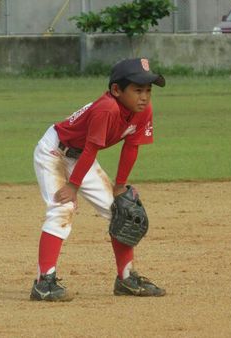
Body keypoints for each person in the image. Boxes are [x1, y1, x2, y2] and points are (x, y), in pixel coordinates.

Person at [30, 58, 166, 301]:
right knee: (63, 208)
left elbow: (131, 148)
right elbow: (92, 148)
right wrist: (72, 187)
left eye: (148, 90)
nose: (144, 96)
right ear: (117, 90)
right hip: (54, 151)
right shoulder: (107, 108)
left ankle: (125, 279)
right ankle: (44, 283)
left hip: (80, 156)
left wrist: (120, 186)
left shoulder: (143, 110)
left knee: (121, 211)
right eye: (137, 90)